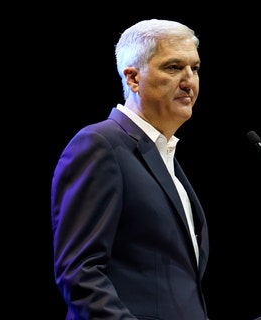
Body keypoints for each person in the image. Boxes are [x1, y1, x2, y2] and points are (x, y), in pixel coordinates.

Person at [50, 19, 209, 319]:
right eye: (174, 67)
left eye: (195, 68)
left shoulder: (164, 157)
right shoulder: (99, 145)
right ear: (134, 79)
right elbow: (81, 274)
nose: (189, 80)